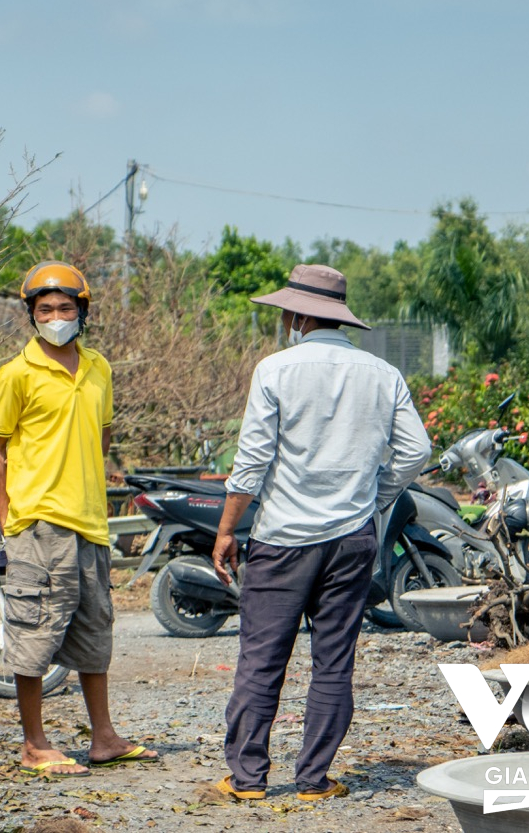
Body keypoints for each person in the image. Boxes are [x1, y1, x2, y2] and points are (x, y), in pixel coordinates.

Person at [211, 264, 431, 801]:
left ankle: (248, 781)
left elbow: (252, 463)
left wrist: (225, 531)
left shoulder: (275, 370)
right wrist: (376, 498)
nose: (285, 317)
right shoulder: (383, 374)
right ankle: (312, 780)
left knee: (262, 659)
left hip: (282, 539)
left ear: (301, 315)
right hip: (352, 539)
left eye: (288, 310)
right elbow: (417, 451)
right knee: (333, 661)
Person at [0, 261, 159, 778]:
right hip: (37, 523)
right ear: (31, 315)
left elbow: (102, 434)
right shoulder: (15, 373)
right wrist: (7, 516)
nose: (56, 316)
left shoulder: (99, 367)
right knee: (35, 631)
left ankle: (103, 737)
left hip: (89, 522)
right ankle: (34, 744)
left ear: (82, 311)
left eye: (65, 308)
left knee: (94, 633)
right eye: (45, 309)